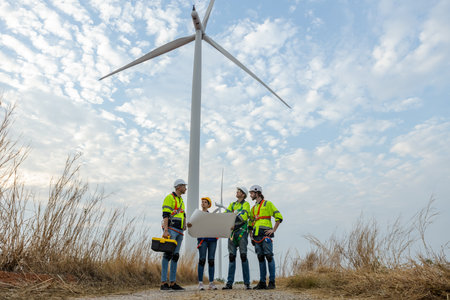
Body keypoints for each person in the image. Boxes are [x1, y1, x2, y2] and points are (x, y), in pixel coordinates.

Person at [248, 185, 283, 290]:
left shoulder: (268, 204)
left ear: (257, 193)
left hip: (266, 234)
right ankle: (262, 282)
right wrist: (251, 235)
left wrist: (274, 230)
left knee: (269, 256)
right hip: (256, 235)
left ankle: (272, 282)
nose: (250, 195)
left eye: (251, 193)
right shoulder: (253, 208)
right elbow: (250, 222)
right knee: (260, 258)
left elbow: (279, 217)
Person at [160, 179, 187, 291]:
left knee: (175, 256)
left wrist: (185, 225)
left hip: (180, 231)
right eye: (184, 186)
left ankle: (173, 283)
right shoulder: (169, 198)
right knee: (167, 255)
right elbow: (165, 214)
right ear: (178, 187)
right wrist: (166, 230)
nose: (186, 188)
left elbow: (183, 214)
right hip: (171, 230)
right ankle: (163, 283)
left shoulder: (181, 200)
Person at [222, 186, 251, 290]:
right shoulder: (232, 204)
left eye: (239, 191)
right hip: (232, 234)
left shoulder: (246, 204)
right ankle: (229, 283)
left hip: (242, 232)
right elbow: (226, 215)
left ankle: (247, 283)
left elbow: (244, 216)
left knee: (243, 256)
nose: (237, 192)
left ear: (243, 194)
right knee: (231, 257)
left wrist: (234, 219)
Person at [187, 197, 218, 290]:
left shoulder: (212, 216)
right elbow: (193, 224)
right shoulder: (197, 215)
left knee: (211, 260)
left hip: (212, 240)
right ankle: (200, 283)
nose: (203, 203)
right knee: (202, 260)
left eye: (205, 202)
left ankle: (211, 283)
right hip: (202, 240)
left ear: (209, 205)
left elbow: (217, 226)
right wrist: (190, 225)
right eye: (202, 202)